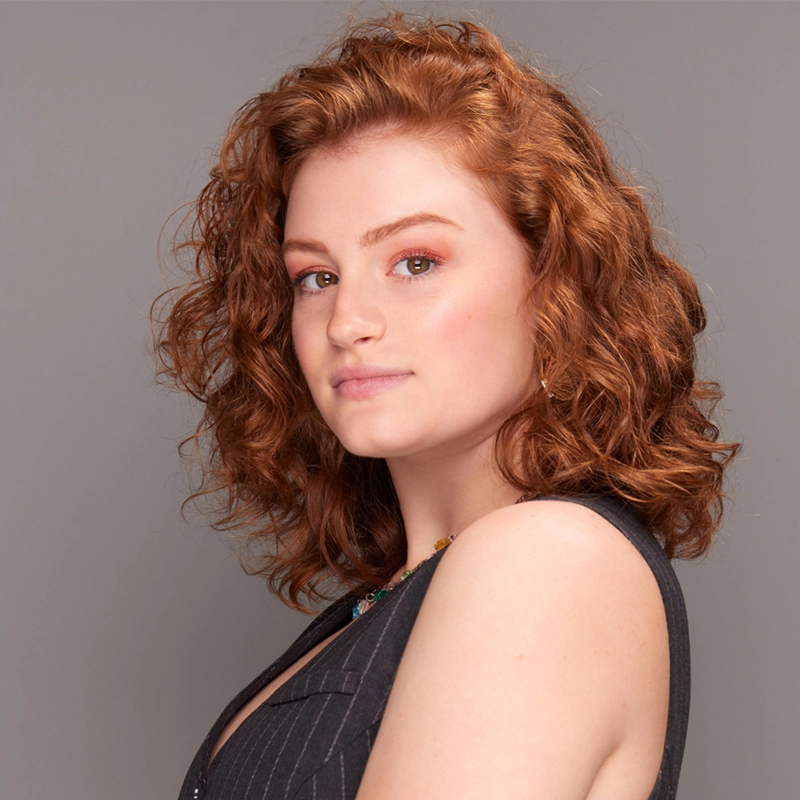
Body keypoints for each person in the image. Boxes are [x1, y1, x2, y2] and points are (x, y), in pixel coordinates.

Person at [152, 12, 738, 800]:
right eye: (315, 276)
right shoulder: (417, 587)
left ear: (553, 280)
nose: (347, 321)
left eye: (416, 261)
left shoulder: (545, 562)